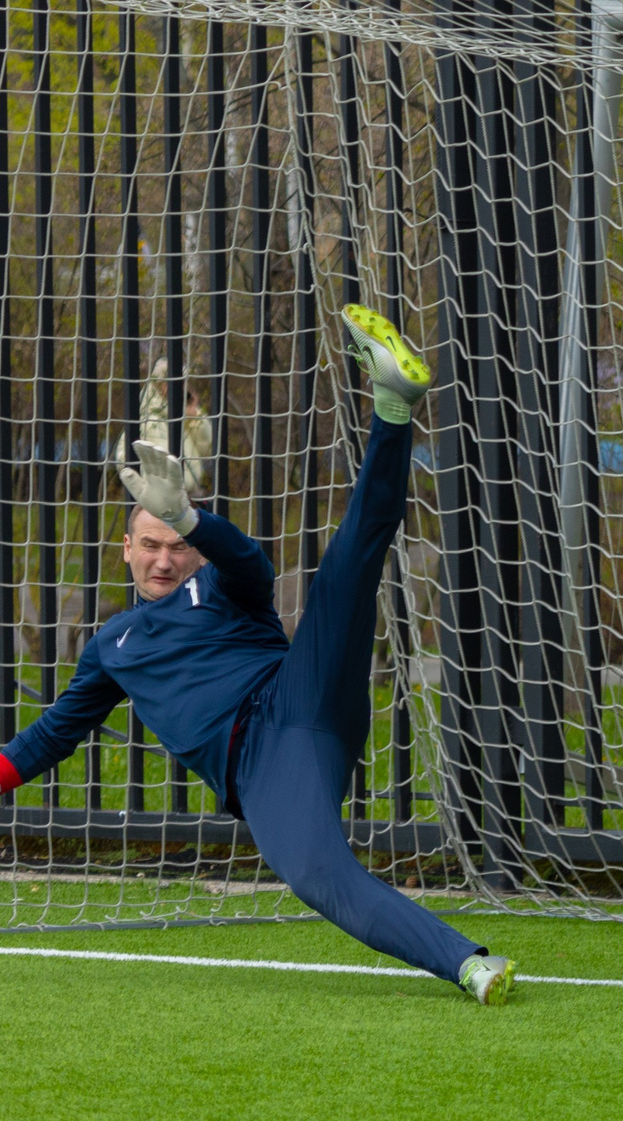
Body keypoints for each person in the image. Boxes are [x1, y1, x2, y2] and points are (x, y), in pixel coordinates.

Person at [0, 305, 516, 1005]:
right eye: (148, 544)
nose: (162, 558)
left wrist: (192, 520)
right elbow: (51, 735)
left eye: (174, 544)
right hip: (266, 770)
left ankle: (393, 403)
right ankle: (469, 965)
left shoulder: (218, 581)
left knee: (349, 563)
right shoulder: (111, 646)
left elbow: (252, 564)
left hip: (298, 695)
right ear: (124, 549)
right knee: (316, 876)